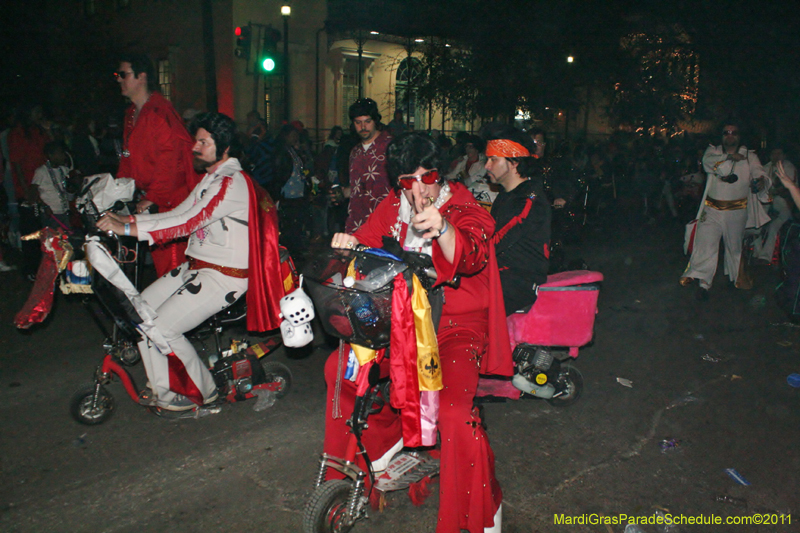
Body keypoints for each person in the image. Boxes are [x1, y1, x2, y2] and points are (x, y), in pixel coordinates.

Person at [326, 132, 511, 533]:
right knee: (338, 369)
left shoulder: (463, 204)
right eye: (408, 181)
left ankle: (484, 509)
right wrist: (348, 244)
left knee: (455, 412)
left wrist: (443, 228)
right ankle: (385, 448)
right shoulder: (393, 206)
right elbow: (366, 241)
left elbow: (474, 252)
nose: (419, 189)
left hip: (455, 328)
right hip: (404, 326)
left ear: (440, 175)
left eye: (427, 177)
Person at [98, 112, 283, 411]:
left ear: (223, 149)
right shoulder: (211, 178)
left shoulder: (231, 182)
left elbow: (187, 221)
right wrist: (127, 220)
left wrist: (128, 228)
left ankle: (204, 393)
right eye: (196, 141)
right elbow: (178, 213)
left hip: (223, 276)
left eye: (202, 142)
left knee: (164, 328)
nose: (195, 148)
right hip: (197, 269)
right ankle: (164, 387)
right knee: (139, 311)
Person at [115, 53, 198, 277]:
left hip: (169, 200)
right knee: (161, 266)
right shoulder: (132, 114)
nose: (119, 79)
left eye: (124, 74)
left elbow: (170, 162)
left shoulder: (160, 113)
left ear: (141, 76)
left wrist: (153, 197)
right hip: (152, 198)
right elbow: (128, 157)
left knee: (173, 268)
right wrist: (117, 190)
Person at [680, 122, 770, 299]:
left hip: (737, 210)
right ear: (721, 135)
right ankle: (703, 283)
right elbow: (707, 164)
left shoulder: (749, 156)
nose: (730, 135)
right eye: (726, 132)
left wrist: (761, 182)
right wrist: (729, 158)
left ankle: (735, 278)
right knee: (706, 244)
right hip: (712, 209)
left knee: (734, 247)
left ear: (739, 135)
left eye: (734, 132)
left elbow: (760, 173)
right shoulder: (713, 151)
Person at [485, 127, 552, 315]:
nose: (487, 166)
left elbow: (494, 242)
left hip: (519, 283)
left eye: (493, 159)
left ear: (514, 162)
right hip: (500, 277)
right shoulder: (506, 195)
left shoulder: (528, 200)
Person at [8, 105, 51, 280]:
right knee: (30, 230)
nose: (39, 115)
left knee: (45, 229)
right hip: (27, 189)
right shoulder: (17, 133)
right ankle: (30, 268)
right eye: (36, 112)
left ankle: (44, 266)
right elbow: (16, 164)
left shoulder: (38, 131)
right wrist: (26, 192)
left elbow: (51, 151)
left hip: (44, 187)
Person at [343, 98, 392, 233]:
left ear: (375, 121)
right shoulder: (355, 152)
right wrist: (343, 192)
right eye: (358, 123)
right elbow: (357, 187)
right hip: (357, 223)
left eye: (367, 122)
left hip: (385, 224)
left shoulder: (391, 147)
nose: (363, 127)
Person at [753, 146, 796, 262]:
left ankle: (765, 256)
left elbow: (784, 189)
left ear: (784, 155)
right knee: (757, 223)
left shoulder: (788, 167)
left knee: (773, 226)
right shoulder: (765, 167)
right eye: (774, 153)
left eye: (779, 153)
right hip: (767, 201)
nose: (776, 156)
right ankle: (757, 252)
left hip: (784, 204)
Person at [31, 142, 71, 231]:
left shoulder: (64, 170)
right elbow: (32, 192)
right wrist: (44, 206)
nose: (63, 156)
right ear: (51, 155)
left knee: (67, 240)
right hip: (51, 214)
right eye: (60, 153)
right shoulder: (41, 171)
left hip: (64, 211)